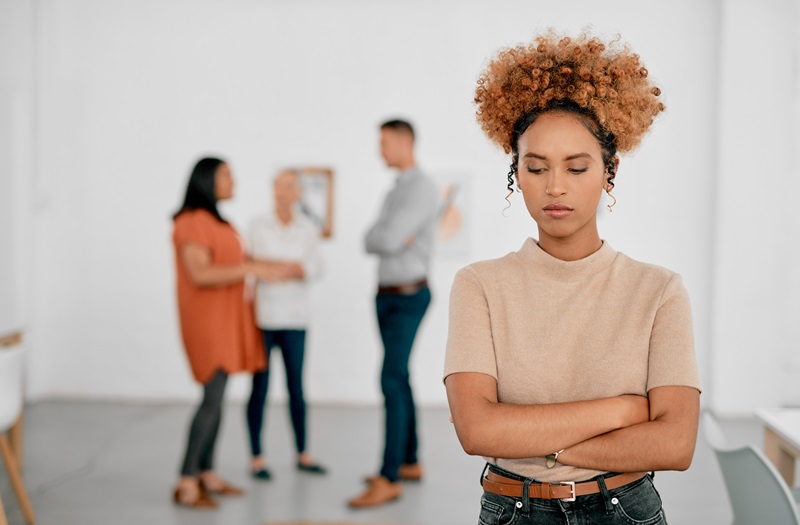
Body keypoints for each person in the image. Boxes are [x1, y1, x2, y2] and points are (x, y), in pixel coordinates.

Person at [444, 32, 701, 524]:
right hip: (514, 511)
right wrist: (624, 410)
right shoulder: (479, 285)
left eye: (577, 168)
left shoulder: (659, 291)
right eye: (536, 167)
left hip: (626, 510)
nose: (555, 187)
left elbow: (675, 443)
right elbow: (477, 432)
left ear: (609, 170)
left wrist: (536, 443)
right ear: (516, 172)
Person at [348, 119, 439, 508]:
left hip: (408, 296)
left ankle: (389, 478)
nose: (380, 150)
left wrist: (388, 235)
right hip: (387, 295)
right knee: (399, 377)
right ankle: (409, 462)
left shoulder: (421, 188)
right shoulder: (396, 189)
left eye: (384, 142)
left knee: (389, 378)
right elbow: (371, 239)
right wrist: (387, 236)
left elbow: (383, 238)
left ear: (405, 142)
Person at [171, 157, 268, 509]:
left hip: (227, 319)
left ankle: (206, 471)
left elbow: (235, 263)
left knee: (219, 397)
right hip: (207, 322)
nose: (233, 181)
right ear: (206, 180)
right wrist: (251, 270)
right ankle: (186, 479)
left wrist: (266, 267)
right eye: (226, 175)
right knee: (211, 399)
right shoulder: (190, 222)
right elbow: (200, 274)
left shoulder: (219, 222)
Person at [246, 169, 327, 480]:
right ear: (272, 190)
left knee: (296, 387)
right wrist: (284, 267)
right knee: (260, 387)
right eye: (278, 186)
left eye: (289, 186)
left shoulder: (307, 228)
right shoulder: (257, 225)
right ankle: (257, 456)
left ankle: (303, 453)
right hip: (263, 318)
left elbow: (316, 266)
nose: (283, 192)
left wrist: (288, 268)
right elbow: (250, 263)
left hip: (295, 319)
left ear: (298, 193)